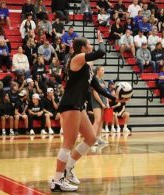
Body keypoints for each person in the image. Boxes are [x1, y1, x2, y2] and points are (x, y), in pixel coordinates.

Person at [50, 33, 125, 191]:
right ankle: (57, 180)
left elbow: (97, 87)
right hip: (70, 104)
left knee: (91, 138)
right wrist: (100, 41)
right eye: (89, 44)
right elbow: (101, 52)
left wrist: (115, 99)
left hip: (78, 105)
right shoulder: (76, 59)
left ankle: (68, 169)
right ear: (83, 48)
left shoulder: (87, 67)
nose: (91, 46)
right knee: (68, 144)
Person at [91, 66, 109, 140]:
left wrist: (107, 102)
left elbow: (105, 93)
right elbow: (95, 93)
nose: (103, 71)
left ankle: (98, 138)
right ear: (97, 71)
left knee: (101, 121)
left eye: (103, 70)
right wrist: (101, 103)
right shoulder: (95, 80)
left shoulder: (102, 80)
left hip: (103, 102)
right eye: (102, 70)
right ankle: (91, 139)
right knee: (97, 120)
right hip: (97, 103)